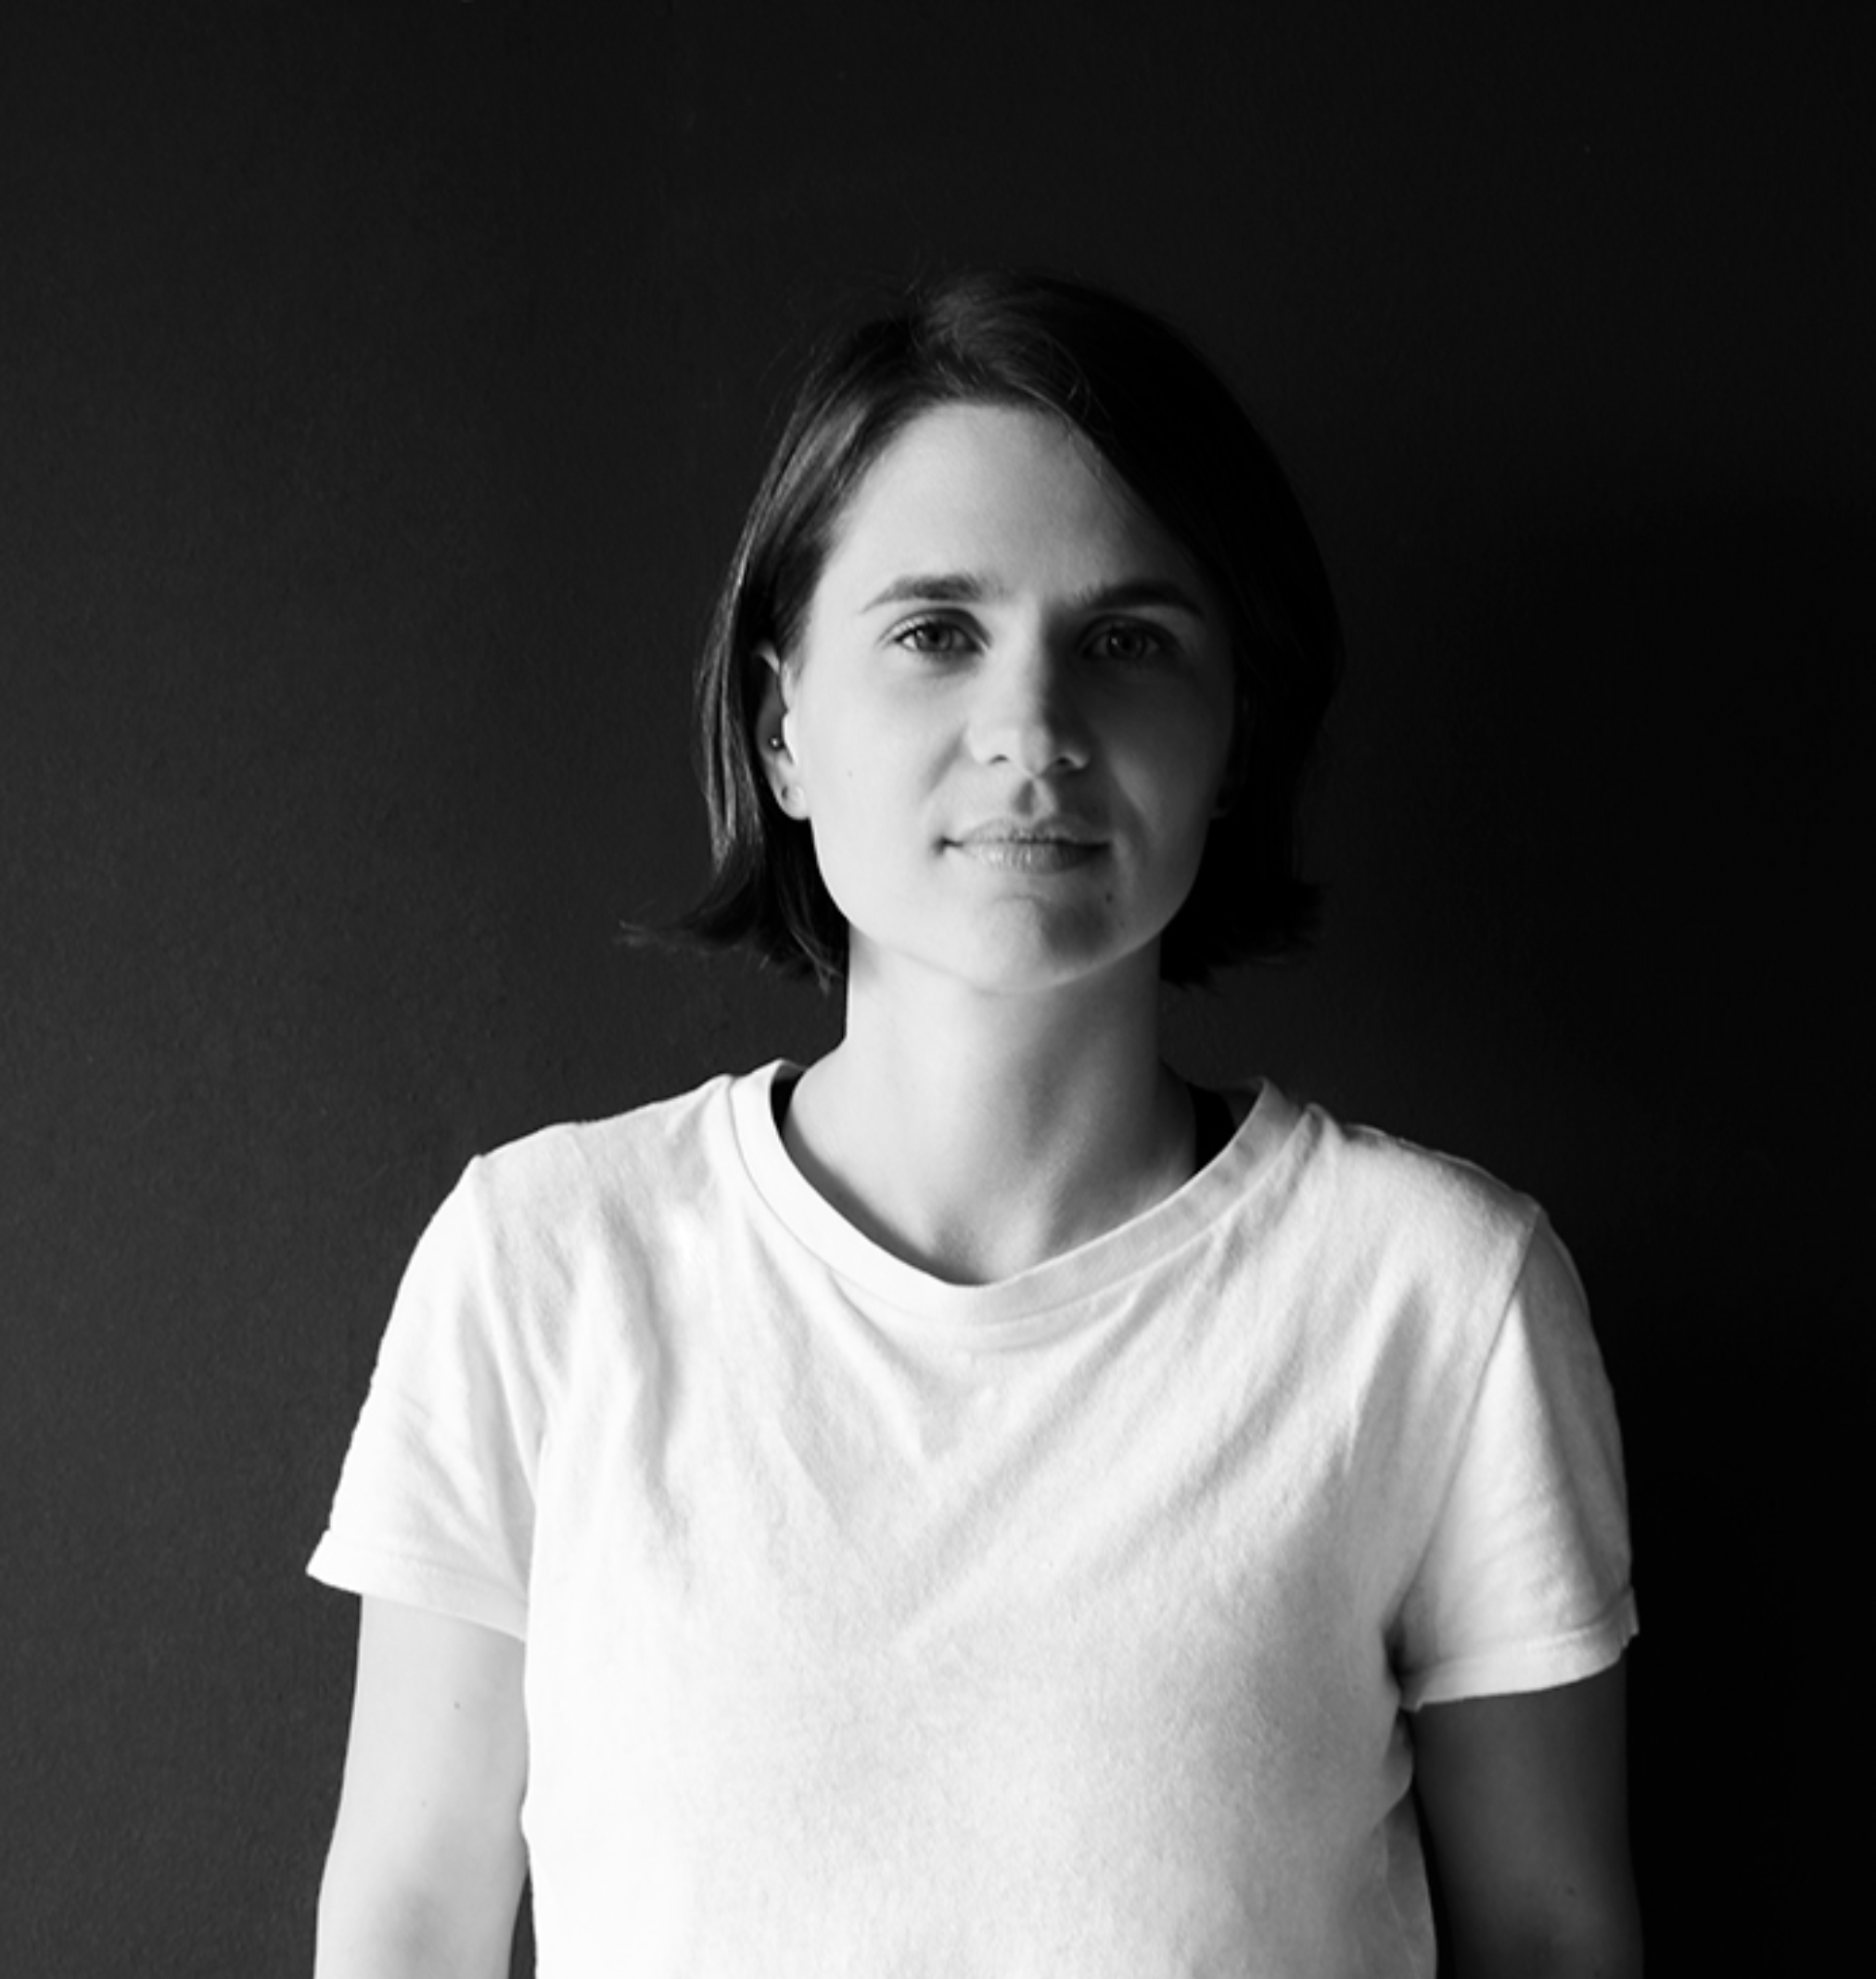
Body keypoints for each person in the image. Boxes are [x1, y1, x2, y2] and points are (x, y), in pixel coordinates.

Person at [309, 270, 1642, 1977]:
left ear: (1233, 738)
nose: (1032, 731)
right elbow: (410, 1910)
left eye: (1126, 641)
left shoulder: (1436, 1296)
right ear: (784, 726)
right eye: (935, 632)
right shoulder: (545, 1263)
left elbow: (1548, 1929)